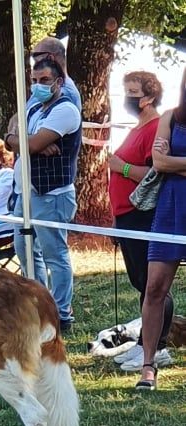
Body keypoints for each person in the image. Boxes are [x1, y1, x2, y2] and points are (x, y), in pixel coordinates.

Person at [5, 58, 81, 331]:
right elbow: (10, 134)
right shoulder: (35, 108)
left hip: (52, 193)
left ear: (59, 82)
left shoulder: (66, 110)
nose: (38, 86)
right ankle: (38, 305)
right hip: (25, 192)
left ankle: (61, 313)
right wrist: (25, 143)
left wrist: (28, 143)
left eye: (44, 81)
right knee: (25, 251)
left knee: (54, 255)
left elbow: (28, 141)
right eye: (35, 81)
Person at [108, 71, 174, 372]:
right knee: (140, 282)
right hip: (124, 215)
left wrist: (120, 168)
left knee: (152, 285)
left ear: (148, 96)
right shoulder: (137, 127)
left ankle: (157, 346)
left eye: (132, 90)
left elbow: (151, 175)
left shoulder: (154, 129)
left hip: (142, 215)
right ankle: (143, 343)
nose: (128, 96)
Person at [137, 68, 186, 390]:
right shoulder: (171, 117)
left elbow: (169, 161)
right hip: (171, 210)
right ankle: (148, 365)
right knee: (154, 287)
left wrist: (176, 162)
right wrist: (170, 163)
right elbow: (158, 163)